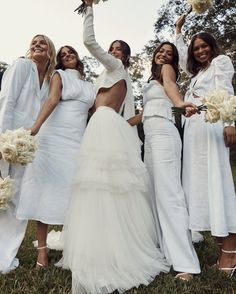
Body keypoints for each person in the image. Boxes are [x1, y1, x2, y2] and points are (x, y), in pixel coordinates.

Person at [58, 1, 170, 293]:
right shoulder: (107, 75)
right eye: (113, 47)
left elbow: (88, 41)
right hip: (101, 128)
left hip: (105, 128)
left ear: (125, 57)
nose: (115, 51)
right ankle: (100, 243)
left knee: (108, 187)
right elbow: (123, 110)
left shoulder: (116, 67)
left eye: (120, 48)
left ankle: (114, 250)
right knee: (97, 186)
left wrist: (89, 8)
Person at [16, 45, 95, 268]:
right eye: (63, 55)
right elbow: (52, 100)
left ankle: (75, 249)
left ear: (78, 58)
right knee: (47, 192)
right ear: (60, 62)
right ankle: (42, 253)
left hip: (77, 140)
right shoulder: (58, 75)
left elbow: (96, 112)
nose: (68, 56)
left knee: (73, 193)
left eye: (71, 53)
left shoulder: (90, 86)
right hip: (54, 137)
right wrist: (36, 127)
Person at [128, 42, 200, 281]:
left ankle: (185, 263)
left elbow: (170, 87)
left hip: (164, 136)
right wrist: (116, 122)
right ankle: (165, 251)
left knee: (169, 195)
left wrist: (179, 104)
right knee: (154, 194)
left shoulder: (168, 71)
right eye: (161, 51)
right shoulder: (151, 81)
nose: (164, 55)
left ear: (173, 59)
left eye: (169, 53)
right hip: (150, 137)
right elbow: (146, 112)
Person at [175, 15, 236, 276]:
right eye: (195, 48)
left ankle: (231, 254)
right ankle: (225, 250)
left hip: (212, 129)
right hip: (194, 133)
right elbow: (178, 57)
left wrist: (230, 122)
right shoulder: (196, 74)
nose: (200, 51)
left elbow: (226, 91)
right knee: (200, 188)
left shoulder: (220, 63)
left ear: (212, 46)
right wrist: (178, 31)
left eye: (203, 46)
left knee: (217, 184)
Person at [0, 34, 56, 273]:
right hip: (7, 139)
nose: (36, 45)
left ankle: (5, 256)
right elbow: (6, 100)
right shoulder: (22, 65)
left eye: (42, 42)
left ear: (50, 51)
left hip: (27, 147)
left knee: (16, 200)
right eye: (34, 42)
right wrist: (1, 138)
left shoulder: (51, 79)